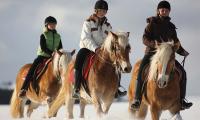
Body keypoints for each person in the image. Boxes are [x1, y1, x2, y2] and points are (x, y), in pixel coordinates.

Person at [131, 1, 193, 110]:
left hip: (167, 56)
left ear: (169, 12)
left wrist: (182, 52)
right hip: (152, 53)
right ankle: (137, 99)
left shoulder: (171, 27)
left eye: (166, 10)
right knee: (141, 71)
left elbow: (175, 42)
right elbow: (144, 39)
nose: (164, 11)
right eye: (162, 9)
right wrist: (153, 44)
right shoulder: (152, 23)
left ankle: (182, 100)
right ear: (158, 10)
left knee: (183, 72)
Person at [72, 0, 127, 99]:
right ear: (96, 11)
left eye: (104, 11)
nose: (102, 12)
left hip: (103, 51)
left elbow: (110, 40)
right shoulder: (88, 23)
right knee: (79, 58)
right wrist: (95, 48)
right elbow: (85, 38)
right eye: (100, 10)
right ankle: (76, 87)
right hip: (88, 48)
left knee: (117, 61)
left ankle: (117, 87)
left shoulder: (108, 26)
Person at [18, 16, 63, 98]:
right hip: (42, 56)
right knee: (32, 69)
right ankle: (24, 89)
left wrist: (60, 54)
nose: (53, 25)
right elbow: (43, 47)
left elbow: (60, 47)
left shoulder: (58, 36)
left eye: (54, 24)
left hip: (54, 58)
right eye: (51, 24)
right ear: (46, 25)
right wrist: (51, 53)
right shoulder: (43, 35)